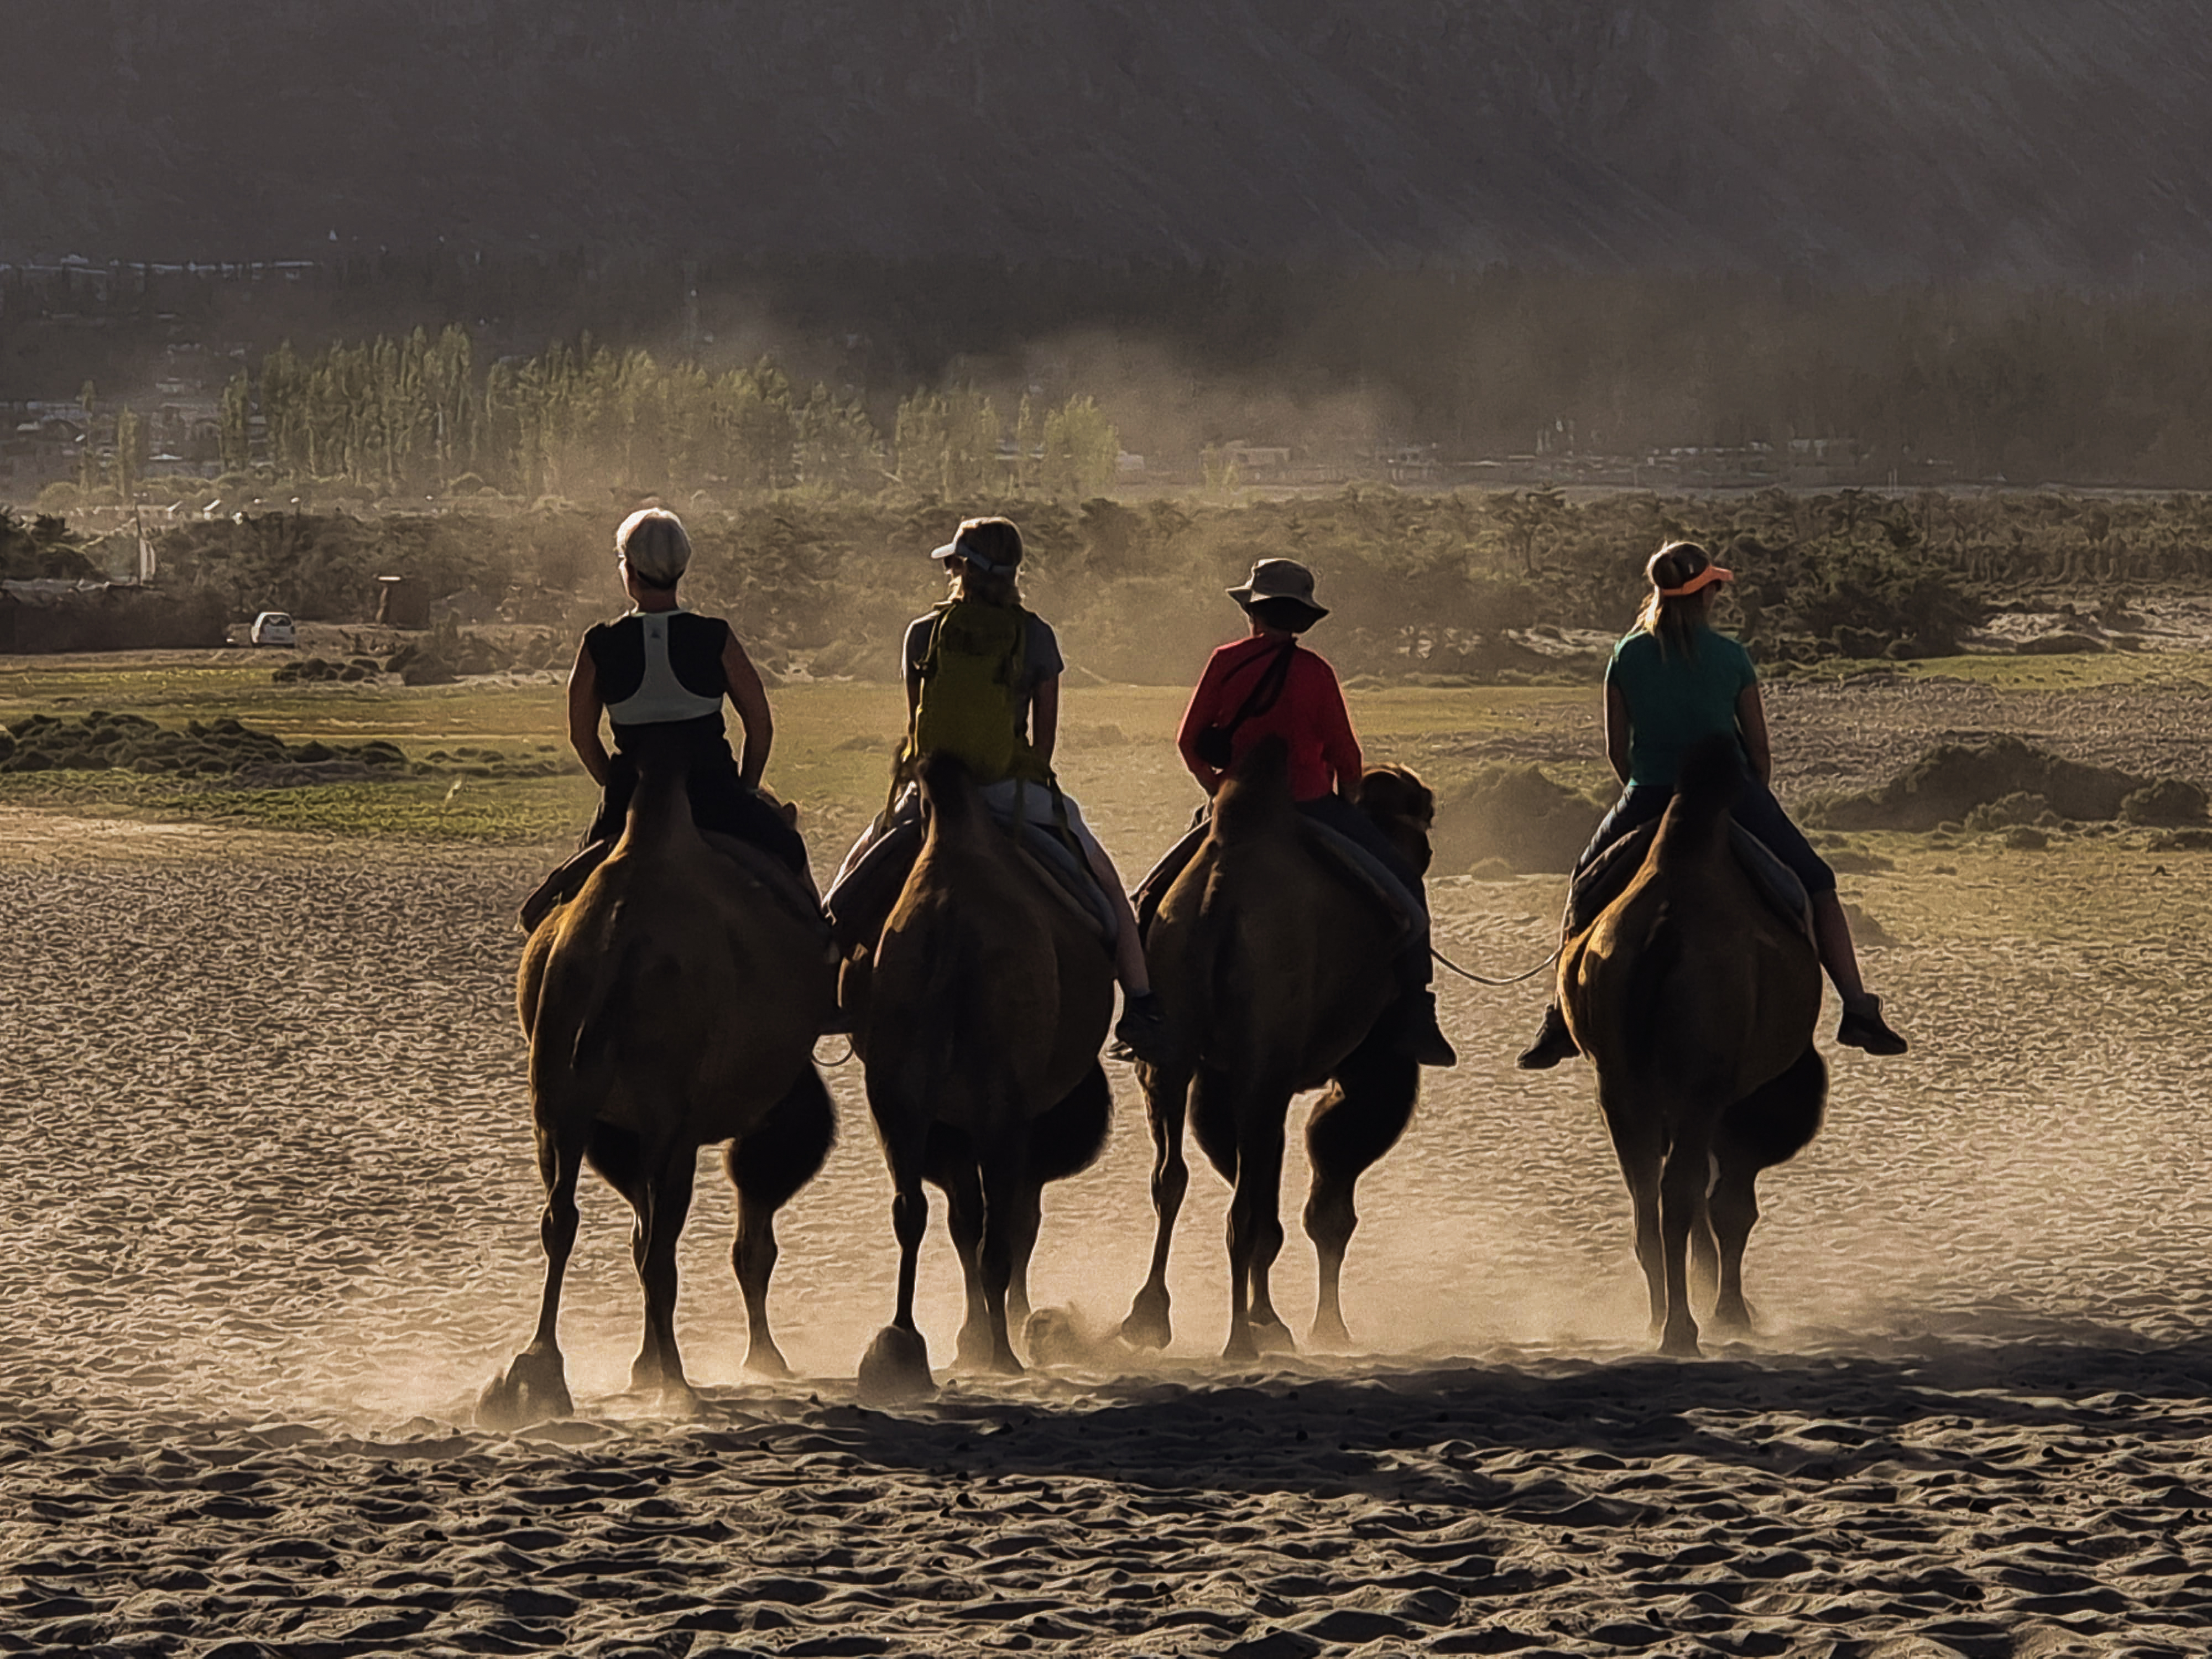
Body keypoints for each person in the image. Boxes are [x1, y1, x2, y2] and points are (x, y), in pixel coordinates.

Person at [1516, 540, 1908, 1068]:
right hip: (1730, 795)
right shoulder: (1731, 657)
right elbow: (1760, 749)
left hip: (1649, 793)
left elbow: (1616, 748)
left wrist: (1647, 791)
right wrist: (1752, 795)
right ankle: (1858, 1008)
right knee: (1817, 883)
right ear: (1707, 595)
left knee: (1584, 884)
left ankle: (1561, 1015)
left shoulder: (1626, 655)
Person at [830, 515, 1168, 1062]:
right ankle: (1141, 1004)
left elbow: (917, 722)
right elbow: (1044, 742)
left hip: (934, 793)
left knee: (856, 868)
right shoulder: (1035, 635)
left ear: (960, 567)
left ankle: (822, 973)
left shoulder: (923, 633)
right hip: (1009, 790)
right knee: (1107, 887)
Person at [1167, 557, 1456, 1068]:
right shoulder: (1317, 672)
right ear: (1300, 619)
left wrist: (1220, 791)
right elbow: (1347, 757)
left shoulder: (1224, 661)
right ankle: (1417, 1009)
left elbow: (1189, 742)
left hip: (1234, 810)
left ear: (1252, 612)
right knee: (1407, 894)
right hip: (1310, 805)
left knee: (1156, 893)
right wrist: (1347, 802)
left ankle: (1153, 1009)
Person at [520, 507, 814, 930]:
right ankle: (822, 943)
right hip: (715, 795)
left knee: (567, 902)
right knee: (788, 853)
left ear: (630, 571)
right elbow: (760, 725)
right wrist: (746, 788)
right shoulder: (715, 636)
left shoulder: (599, 644)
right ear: (681, 569)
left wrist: (616, 785)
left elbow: (581, 735)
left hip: (629, 800)